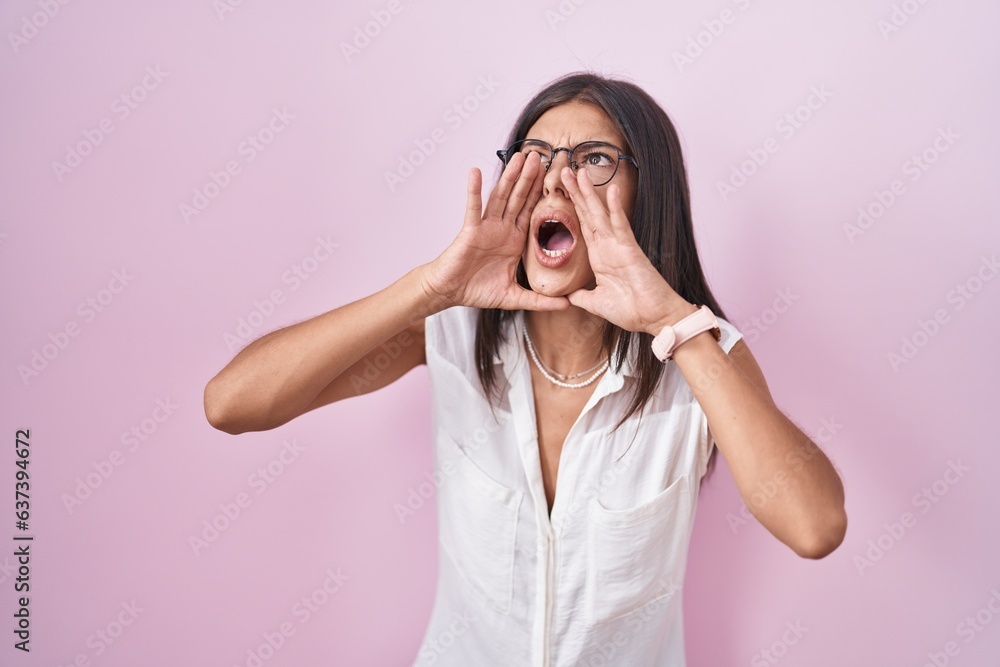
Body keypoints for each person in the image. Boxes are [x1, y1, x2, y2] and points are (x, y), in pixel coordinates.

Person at [204, 71, 847, 666]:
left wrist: (676, 327)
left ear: (648, 198)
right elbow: (231, 404)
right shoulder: (451, 330)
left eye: (594, 159)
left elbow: (814, 527)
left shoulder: (701, 354)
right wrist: (430, 288)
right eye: (535, 157)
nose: (555, 179)